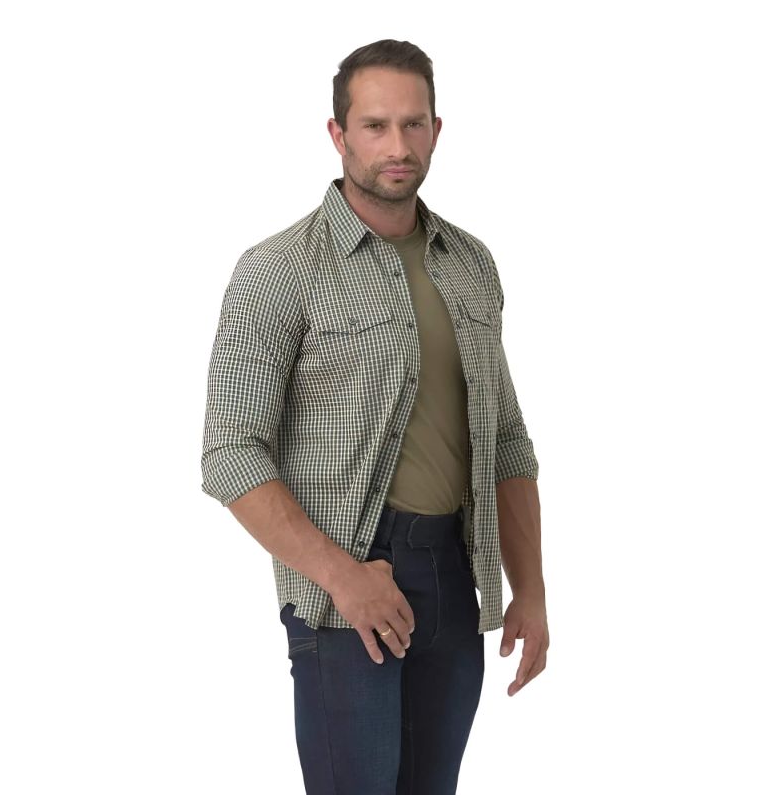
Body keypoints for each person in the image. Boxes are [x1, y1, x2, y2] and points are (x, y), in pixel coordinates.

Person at [200, 38, 549, 795]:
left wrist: (531, 587)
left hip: (453, 570)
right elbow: (230, 452)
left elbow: (505, 441)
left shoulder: (470, 263)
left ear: (436, 130)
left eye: (414, 124)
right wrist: (342, 577)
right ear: (338, 134)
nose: (398, 146)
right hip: (344, 587)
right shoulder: (278, 270)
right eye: (375, 126)